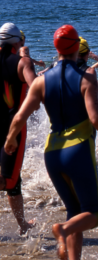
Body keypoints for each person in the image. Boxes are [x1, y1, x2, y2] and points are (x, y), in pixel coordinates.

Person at [5, 25, 98, 259]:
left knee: (75, 211)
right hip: (78, 151)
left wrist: (10, 140)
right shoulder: (86, 77)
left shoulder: (41, 80)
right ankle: (62, 229)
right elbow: (95, 119)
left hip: (52, 154)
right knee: (94, 213)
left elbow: (20, 116)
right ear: (76, 47)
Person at [0, 23, 37, 235]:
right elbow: (36, 89)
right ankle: (22, 225)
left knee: (14, 180)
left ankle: (22, 225)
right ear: (18, 42)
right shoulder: (22, 63)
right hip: (12, 130)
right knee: (8, 181)